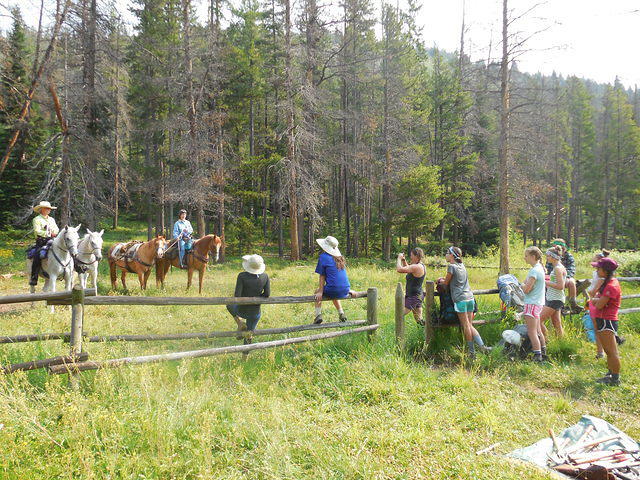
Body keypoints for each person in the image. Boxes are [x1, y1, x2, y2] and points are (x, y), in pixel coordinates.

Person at [442, 246, 489, 359]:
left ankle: (472, 353)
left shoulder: (451, 266)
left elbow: (445, 284)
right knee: (469, 325)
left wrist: (439, 281)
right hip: (470, 298)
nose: (446, 255)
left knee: (466, 325)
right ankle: (482, 347)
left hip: (460, 299)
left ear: (452, 255)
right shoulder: (462, 266)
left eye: (447, 253)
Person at [589, 257, 622, 386]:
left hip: (607, 320)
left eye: (598, 268)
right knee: (608, 351)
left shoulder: (611, 286)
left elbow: (599, 304)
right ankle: (610, 373)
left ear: (606, 270)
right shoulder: (607, 283)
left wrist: (596, 300)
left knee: (612, 352)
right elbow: (598, 299)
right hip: (603, 320)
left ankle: (615, 378)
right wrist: (597, 299)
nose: (596, 270)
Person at [313, 236, 354, 325]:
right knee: (333, 291)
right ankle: (341, 313)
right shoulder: (339, 258)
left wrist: (320, 291)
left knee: (319, 291)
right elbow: (340, 276)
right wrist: (348, 289)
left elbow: (322, 276)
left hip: (334, 289)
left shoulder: (323, 257)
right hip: (345, 288)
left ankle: (318, 315)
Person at [227, 254, 270, 338]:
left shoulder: (242, 276)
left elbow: (237, 295)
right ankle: (246, 349)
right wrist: (256, 296)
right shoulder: (265, 276)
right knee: (248, 335)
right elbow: (267, 294)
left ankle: (240, 322)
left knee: (229, 304)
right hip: (255, 312)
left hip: (241, 310)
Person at [521, 246, 546, 362]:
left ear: (533, 256)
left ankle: (537, 355)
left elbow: (527, 289)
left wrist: (520, 285)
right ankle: (543, 351)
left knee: (532, 331)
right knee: (538, 330)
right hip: (538, 303)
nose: (524, 258)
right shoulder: (540, 268)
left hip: (531, 303)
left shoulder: (534, 271)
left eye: (526, 256)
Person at [30, 201, 60, 286]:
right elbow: (37, 231)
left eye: (49, 209)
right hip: (41, 240)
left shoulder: (51, 219)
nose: (49, 210)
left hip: (52, 239)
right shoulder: (36, 219)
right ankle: (34, 277)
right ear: (42, 209)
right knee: (37, 256)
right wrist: (48, 233)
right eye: (47, 208)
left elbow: (56, 229)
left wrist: (54, 232)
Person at [545, 239, 580, 313]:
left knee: (571, 282)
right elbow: (548, 269)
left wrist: (565, 277)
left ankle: (572, 302)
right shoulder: (551, 257)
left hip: (566, 277)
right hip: (553, 277)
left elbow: (572, 269)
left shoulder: (568, 257)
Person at [540, 245, 567, 338]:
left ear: (553, 257)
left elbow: (560, 286)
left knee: (538, 320)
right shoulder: (559, 267)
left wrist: (545, 282)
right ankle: (561, 343)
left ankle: (546, 341)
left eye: (547, 256)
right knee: (556, 322)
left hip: (554, 298)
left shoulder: (557, 268)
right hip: (556, 297)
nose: (546, 258)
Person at [396, 248, 426, 325]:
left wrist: (399, 258)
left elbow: (399, 269)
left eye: (411, 255)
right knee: (419, 319)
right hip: (416, 295)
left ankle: (398, 333)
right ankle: (427, 332)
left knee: (399, 314)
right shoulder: (418, 266)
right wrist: (403, 260)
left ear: (416, 256)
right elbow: (408, 269)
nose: (410, 257)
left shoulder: (417, 267)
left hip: (414, 296)